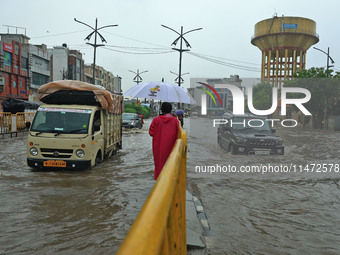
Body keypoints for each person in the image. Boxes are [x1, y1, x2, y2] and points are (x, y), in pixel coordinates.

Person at [149, 102, 179, 180]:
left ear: (161, 110)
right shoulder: (175, 121)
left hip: (158, 148)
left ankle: (159, 182)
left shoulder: (156, 120)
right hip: (171, 147)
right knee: (170, 164)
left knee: (159, 165)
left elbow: (151, 133)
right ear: (170, 110)